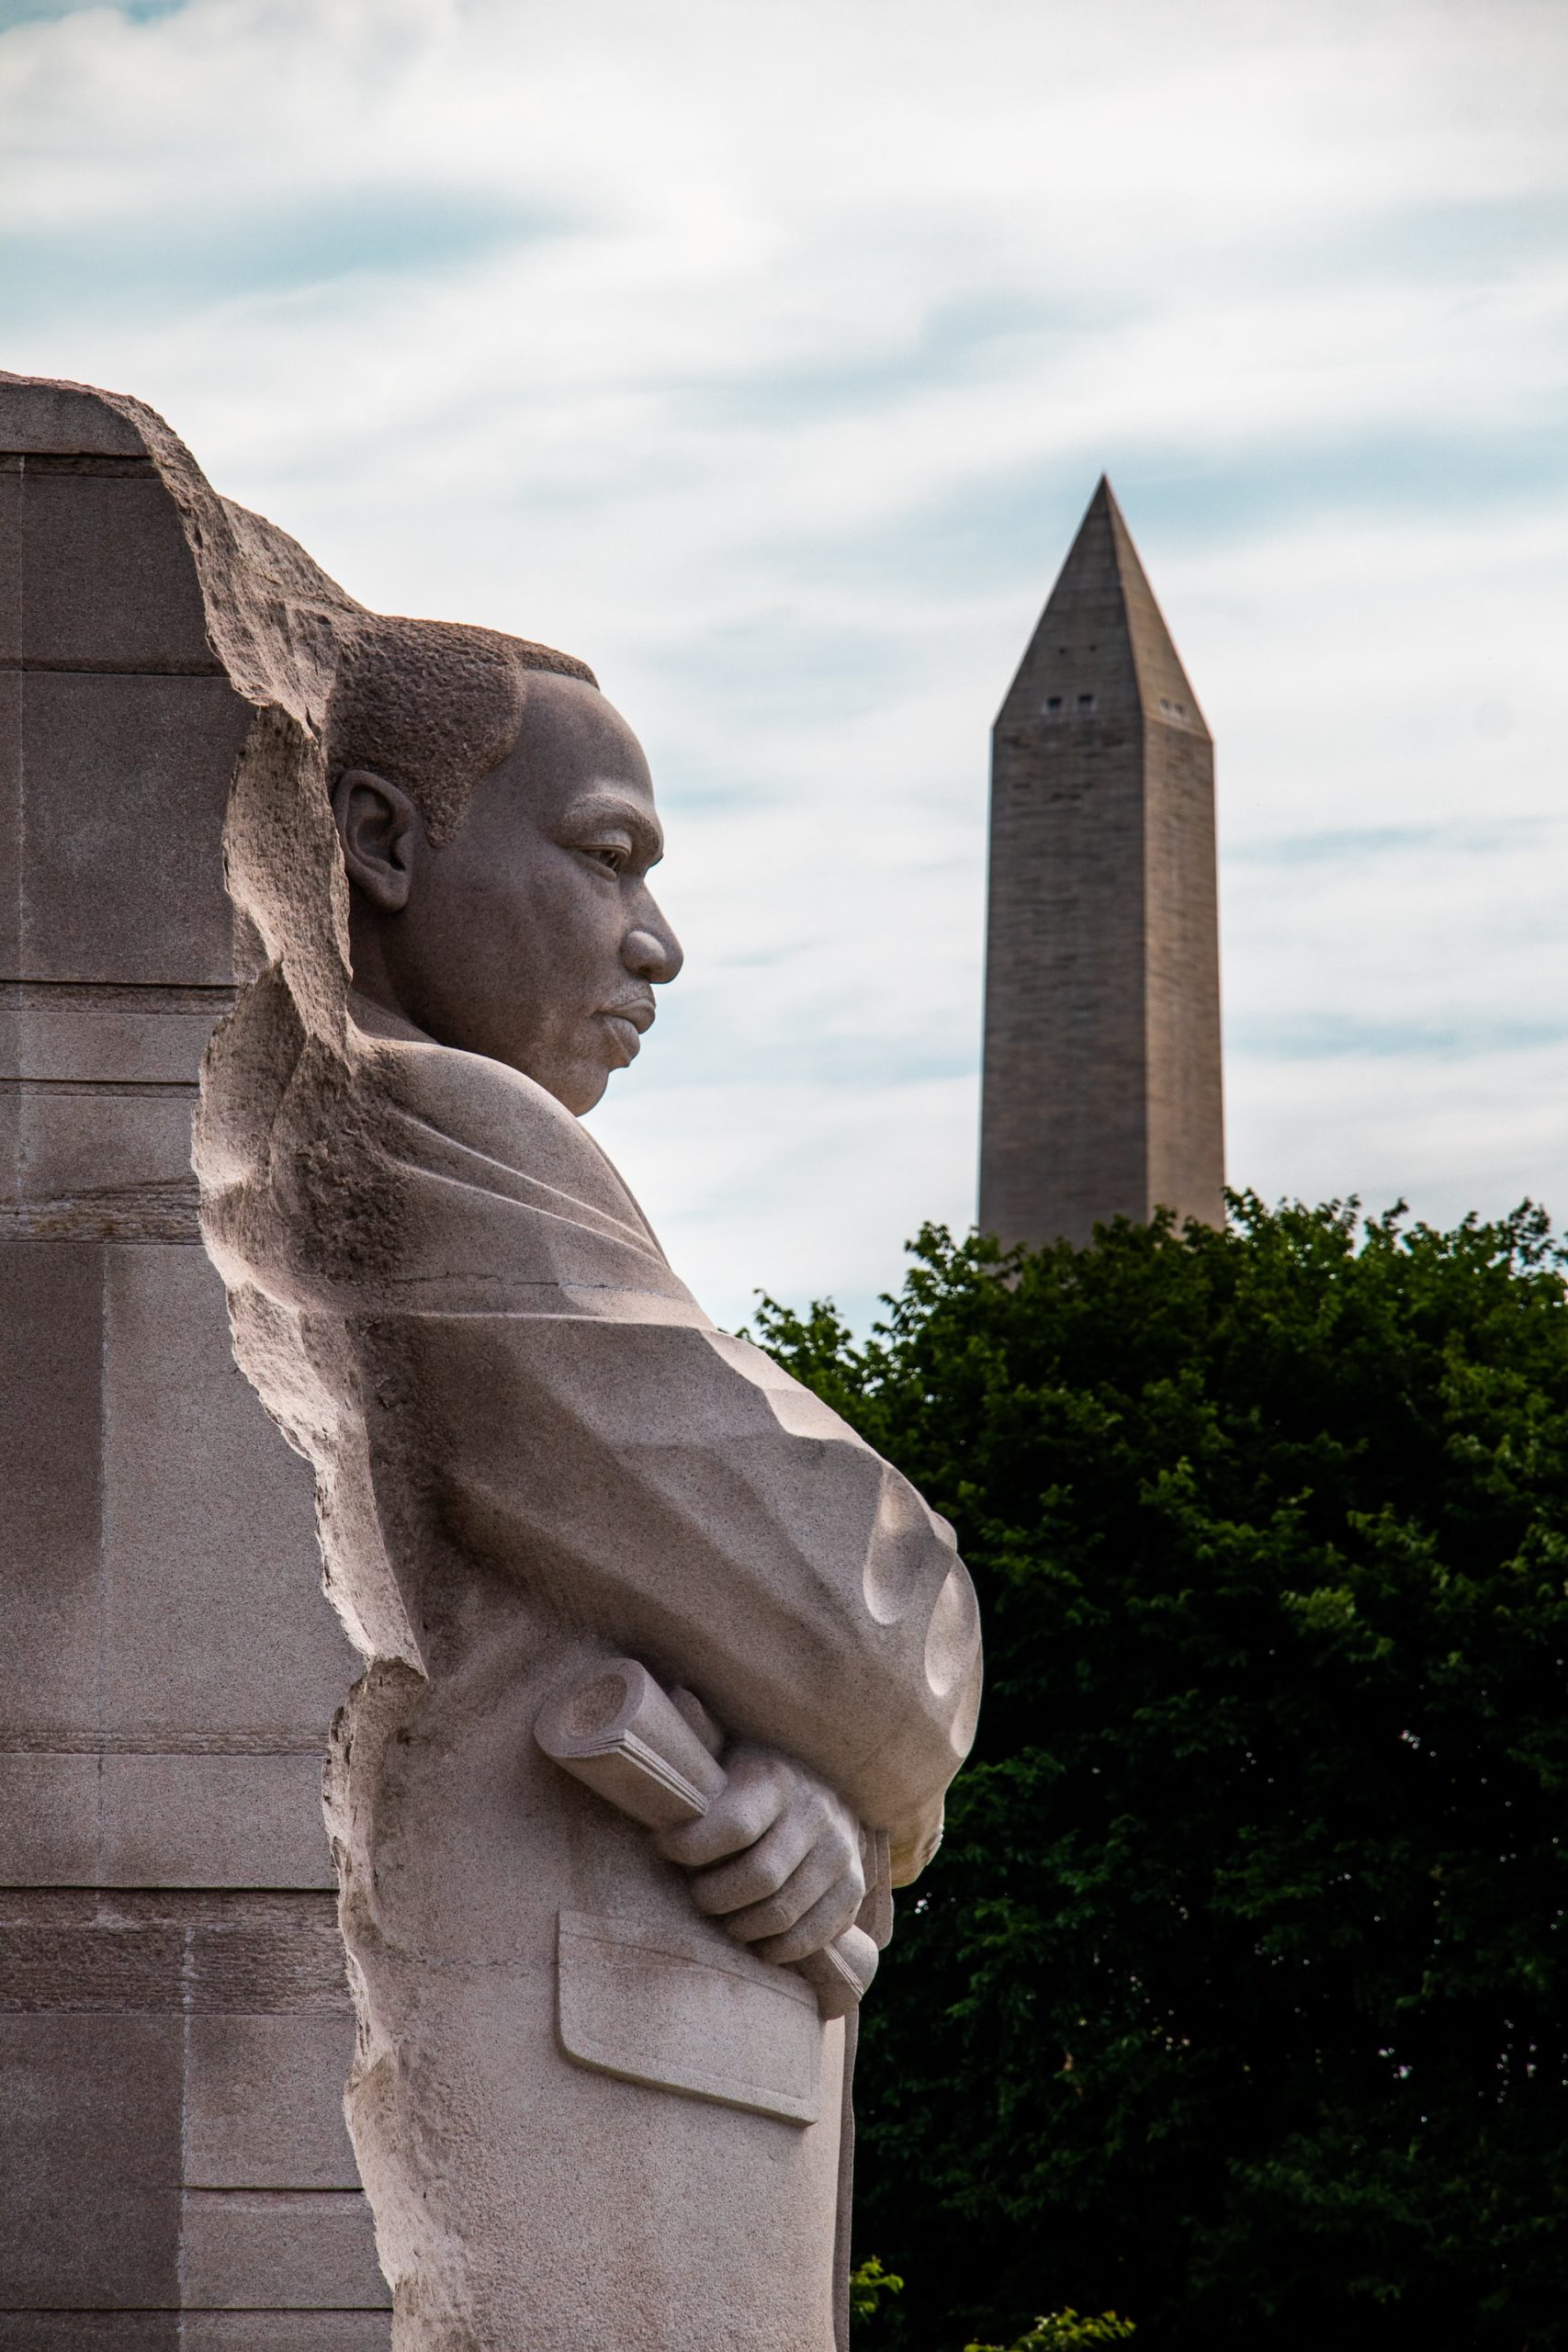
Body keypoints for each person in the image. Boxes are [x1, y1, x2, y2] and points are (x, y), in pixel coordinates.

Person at [199, 612, 980, 2352]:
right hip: (564, 2134)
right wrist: (864, 1751)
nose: (662, 946)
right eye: (608, 857)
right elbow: (868, 1620)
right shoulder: (427, 1123)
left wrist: (830, 1802)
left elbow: (789, 1659)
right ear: (386, 844)